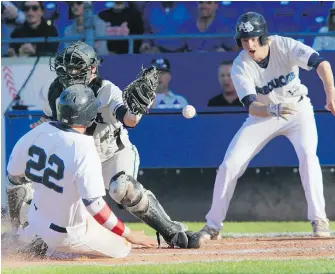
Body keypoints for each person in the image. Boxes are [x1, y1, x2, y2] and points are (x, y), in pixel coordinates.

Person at [7, 41, 200, 253]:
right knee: (41, 191)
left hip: (111, 153)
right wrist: (43, 126)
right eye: (65, 69)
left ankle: (170, 230)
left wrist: (137, 109)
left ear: (92, 68)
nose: (69, 75)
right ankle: (30, 235)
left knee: (122, 188)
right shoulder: (55, 90)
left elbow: (129, 120)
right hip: (76, 157)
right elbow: (49, 120)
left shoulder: (106, 89)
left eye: (75, 68)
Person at [193, 12, 334, 244]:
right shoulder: (240, 65)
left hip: (298, 111)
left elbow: (322, 64)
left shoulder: (284, 45)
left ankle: (319, 219)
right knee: (230, 164)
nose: (249, 43)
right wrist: (273, 110)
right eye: (244, 39)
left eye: (253, 38)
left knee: (309, 156)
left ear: (263, 36)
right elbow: (251, 106)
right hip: (265, 114)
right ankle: (213, 225)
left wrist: (331, 95)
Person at [5, 84, 156, 258]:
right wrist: (129, 234)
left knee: (75, 209)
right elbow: (95, 206)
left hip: (35, 218)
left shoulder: (40, 131)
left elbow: (14, 174)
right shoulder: (84, 148)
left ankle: (26, 235)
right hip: (64, 234)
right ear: (89, 115)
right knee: (123, 248)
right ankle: (52, 250)